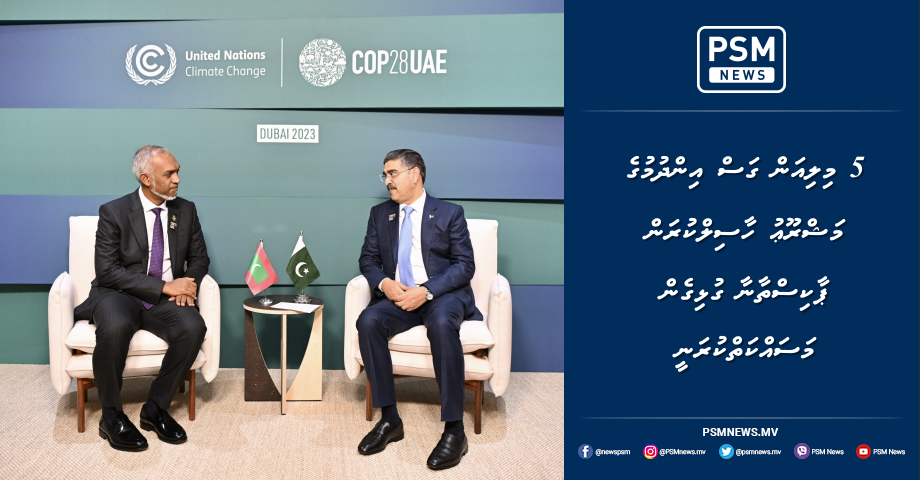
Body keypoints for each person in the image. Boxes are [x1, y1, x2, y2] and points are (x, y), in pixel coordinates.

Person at [74, 145, 209, 452]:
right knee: (116, 327)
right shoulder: (114, 212)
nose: (177, 179)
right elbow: (107, 271)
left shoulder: (185, 210)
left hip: (164, 299)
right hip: (119, 293)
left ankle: (155, 408)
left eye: (177, 172)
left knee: (193, 327)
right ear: (147, 179)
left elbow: (200, 259)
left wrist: (187, 285)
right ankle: (111, 415)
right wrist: (165, 287)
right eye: (169, 174)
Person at [356, 149, 482, 470]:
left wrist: (426, 292)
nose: (387, 181)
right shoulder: (380, 214)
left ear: (415, 175)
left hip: (440, 295)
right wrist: (385, 283)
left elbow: (464, 266)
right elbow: (368, 260)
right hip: (399, 296)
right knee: (368, 320)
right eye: (385, 175)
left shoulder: (449, 213)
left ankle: (455, 430)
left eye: (393, 173)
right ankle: (390, 419)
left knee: (441, 325)